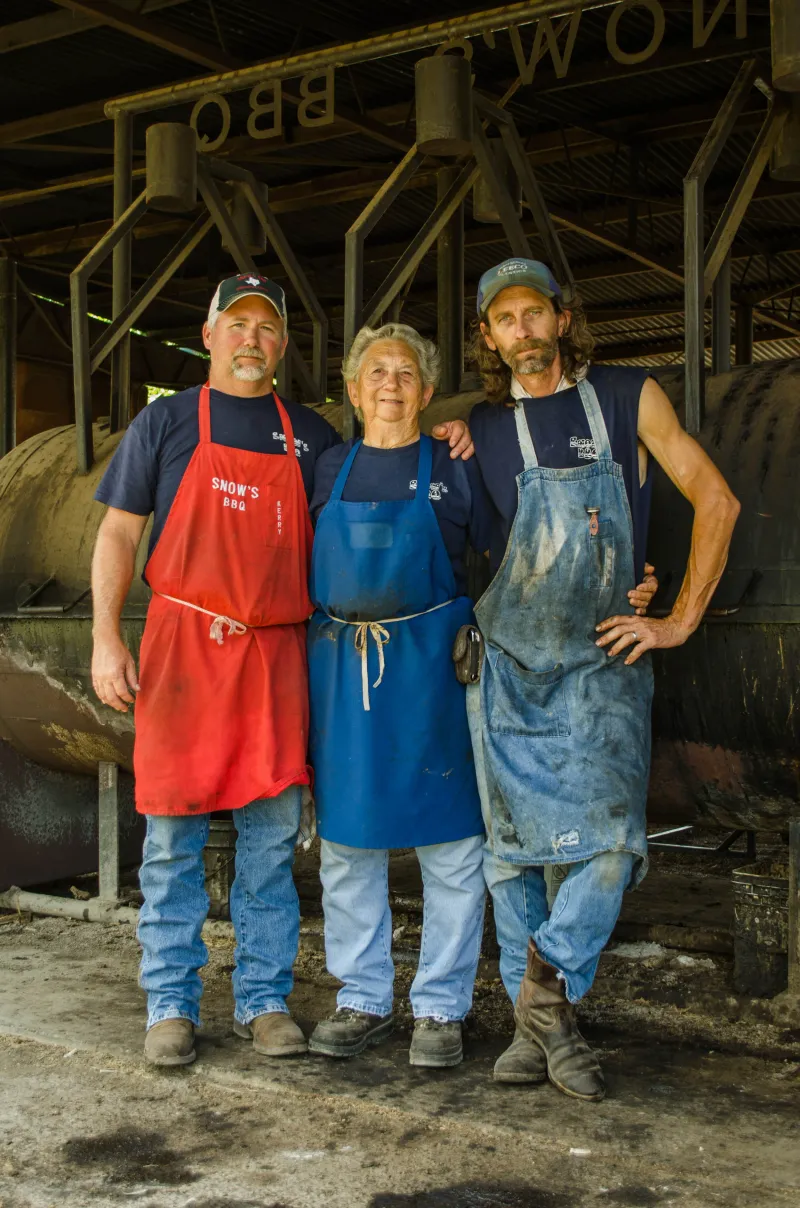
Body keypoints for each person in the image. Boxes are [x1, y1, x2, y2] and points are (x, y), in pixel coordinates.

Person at [90, 276, 472, 1068]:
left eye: (267, 328)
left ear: (284, 345)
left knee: (269, 843)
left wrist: (463, 430)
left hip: (273, 652)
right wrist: (104, 638)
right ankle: (171, 1000)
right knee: (170, 840)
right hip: (185, 645)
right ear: (209, 333)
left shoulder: (309, 439)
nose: (251, 339)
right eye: (238, 324)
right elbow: (119, 535)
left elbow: (386, 461)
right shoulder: (164, 420)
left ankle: (263, 999)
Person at [466, 258, 740, 1102]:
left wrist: (678, 618)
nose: (523, 330)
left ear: (562, 316)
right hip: (508, 669)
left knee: (613, 843)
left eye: (534, 313)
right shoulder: (479, 428)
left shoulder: (627, 396)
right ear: (489, 335)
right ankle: (542, 1034)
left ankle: (547, 985)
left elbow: (715, 499)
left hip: (603, 666)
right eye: (505, 318)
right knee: (514, 862)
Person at [305, 323, 493, 1069]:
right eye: (375, 372)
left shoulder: (454, 463)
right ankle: (363, 996)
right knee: (348, 844)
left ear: (425, 390)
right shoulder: (327, 469)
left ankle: (442, 1007)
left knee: (453, 845)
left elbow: (500, 552)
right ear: (353, 391)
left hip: (432, 670)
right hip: (342, 674)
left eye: (406, 372)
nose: (390, 383)